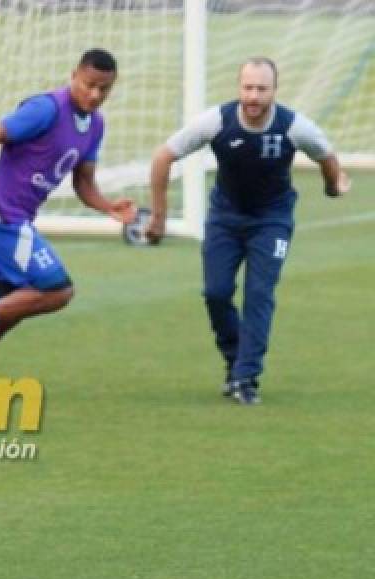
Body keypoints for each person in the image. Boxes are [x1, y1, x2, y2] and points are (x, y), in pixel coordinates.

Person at [0, 49, 136, 402]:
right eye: (89, 85)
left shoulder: (95, 125)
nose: (95, 95)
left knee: (5, 315)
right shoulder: (46, 108)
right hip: (1, 214)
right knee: (57, 290)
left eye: (104, 89)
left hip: (17, 217)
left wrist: (109, 207)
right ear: (74, 75)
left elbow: (83, 182)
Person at [147, 57, 348, 405]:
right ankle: (235, 360)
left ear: (274, 91)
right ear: (239, 88)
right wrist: (160, 216)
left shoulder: (293, 126)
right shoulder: (217, 121)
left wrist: (332, 186)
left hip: (272, 220)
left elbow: (326, 155)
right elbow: (163, 156)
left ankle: (246, 377)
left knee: (259, 293)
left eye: (261, 89)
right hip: (225, 218)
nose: (253, 96)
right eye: (247, 88)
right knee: (215, 292)